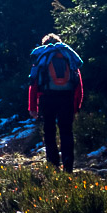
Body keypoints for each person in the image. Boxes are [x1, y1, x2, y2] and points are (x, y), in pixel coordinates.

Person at [27, 33, 83, 172]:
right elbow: (78, 85)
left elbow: (33, 84)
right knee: (66, 132)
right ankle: (68, 166)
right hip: (67, 98)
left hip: (47, 98)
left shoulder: (43, 58)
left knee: (49, 132)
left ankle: (53, 166)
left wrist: (32, 107)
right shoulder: (68, 57)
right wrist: (76, 107)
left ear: (43, 44)